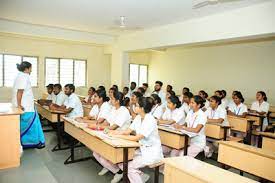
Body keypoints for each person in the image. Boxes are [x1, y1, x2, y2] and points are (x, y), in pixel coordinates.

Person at [107, 97, 163, 183]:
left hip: (152, 152)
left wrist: (118, 136)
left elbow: (136, 138)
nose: (134, 107)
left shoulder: (150, 120)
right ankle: (141, 176)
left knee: (128, 167)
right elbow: (127, 131)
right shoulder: (138, 117)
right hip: (142, 149)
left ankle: (138, 179)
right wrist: (114, 132)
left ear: (142, 108)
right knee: (121, 161)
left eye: (136, 105)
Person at [92, 91, 132, 180]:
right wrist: (98, 127)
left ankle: (118, 172)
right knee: (95, 153)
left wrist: (104, 129)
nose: (110, 100)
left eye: (112, 99)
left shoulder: (124, 110)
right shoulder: (113, 109)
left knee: (103, 157)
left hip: (121, 138)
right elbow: (107, 122)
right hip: (111, 135)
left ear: (117, 101)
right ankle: (109, 167)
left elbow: (114, 126)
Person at [12, 61, 45, 148]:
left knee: (33, 123)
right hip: (25, 107)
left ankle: (35, 141)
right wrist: (19, 105)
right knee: (31, 125)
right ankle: (30, 143)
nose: (31, 71)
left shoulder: (20, 76)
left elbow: (25, 92)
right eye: (31, 68)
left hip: (27, 105)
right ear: (26, 69)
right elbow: (20, 91)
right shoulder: (23, 77)